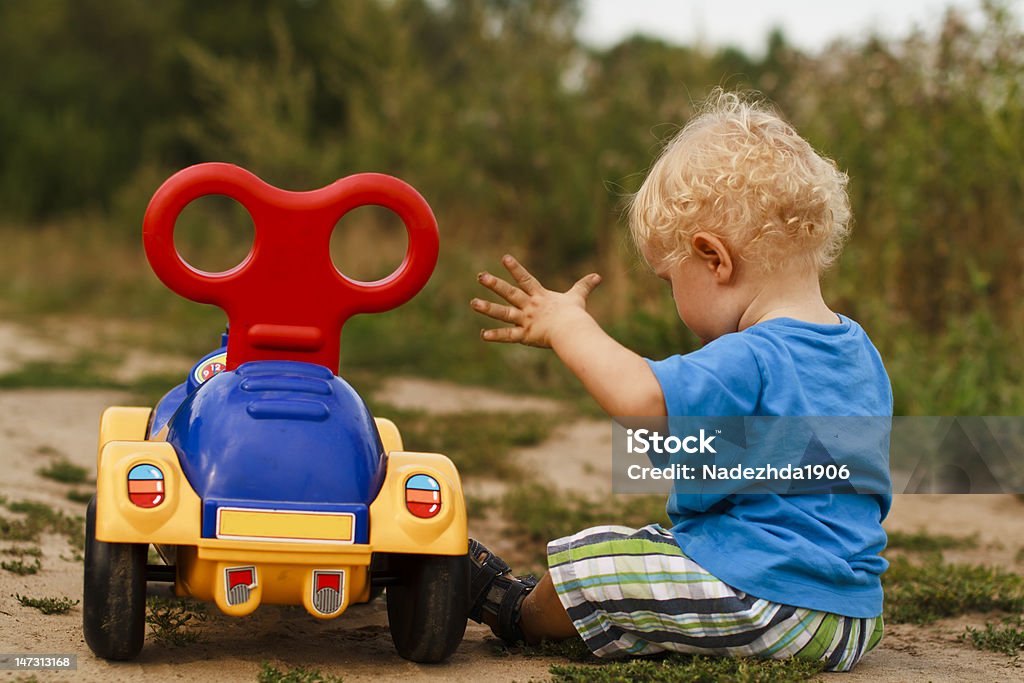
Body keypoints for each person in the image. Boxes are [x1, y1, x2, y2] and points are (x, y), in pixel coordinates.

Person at [466, 89, 890, 672]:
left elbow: (640, 400)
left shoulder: (753, 355)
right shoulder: (856, 349)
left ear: (714, 258)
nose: (672, 298)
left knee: (598, 562)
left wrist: (568, 327)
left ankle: (512, 608)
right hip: (852, 618)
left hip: (772, 605)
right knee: (662, 550)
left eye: (670, 278)